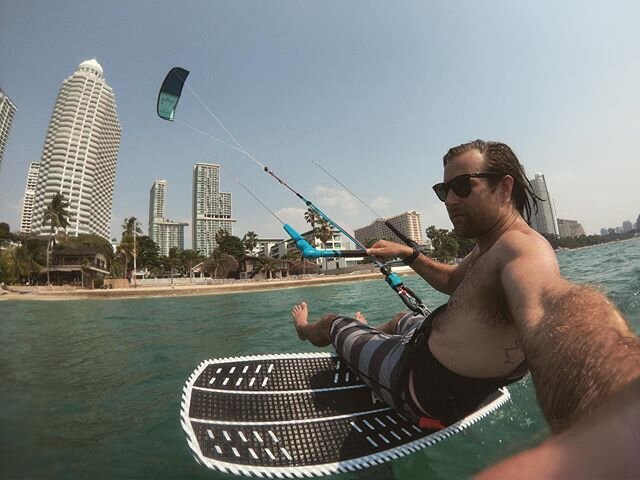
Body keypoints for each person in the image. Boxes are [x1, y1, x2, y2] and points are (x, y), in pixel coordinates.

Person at [292, 139, 640, 433]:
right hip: (436, 358)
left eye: (462, 187)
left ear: (504, 188)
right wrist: (410, 254)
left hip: (417, 387)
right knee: (400, 319)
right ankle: (370, 334)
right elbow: (454, 282)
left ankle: (309, 329)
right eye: (444, 190)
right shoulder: (491, 242)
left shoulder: (523, 251)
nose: (449, 201)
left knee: (333, 322)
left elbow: (553, 308)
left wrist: (621, 405)